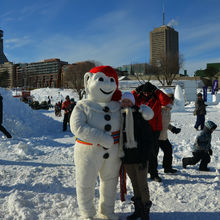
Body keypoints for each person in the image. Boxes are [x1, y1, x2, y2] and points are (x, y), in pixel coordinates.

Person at [70, 66, 122, 220]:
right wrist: (101, 137)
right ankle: (88, 213)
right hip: (88, 152)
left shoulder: (118, 107)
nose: (107, 84)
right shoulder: (83, 106)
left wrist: (143, 111)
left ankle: (107, 211)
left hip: (113, 153)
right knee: (85, 183)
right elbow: (77, 127)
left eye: (111, 80)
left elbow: (133, 115)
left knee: (110, 183)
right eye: (101, 79)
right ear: (88, 80)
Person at [120, 92, 154, 220]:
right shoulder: (119, 117)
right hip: (128, 158)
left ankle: (145, 213)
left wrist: (145, 157)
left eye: (128, 101)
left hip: (140, 158)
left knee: (142, 185)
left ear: (133, 102)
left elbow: (148, 139)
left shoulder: (140, 116)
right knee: (134, 184)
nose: (126, 103)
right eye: (124, 101)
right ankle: (138, 210)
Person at [132, 82, 171, 182]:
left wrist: (157, 91)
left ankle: (154, 173)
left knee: (153, 152)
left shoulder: (157, 98)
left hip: (154, 130)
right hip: (141, 129)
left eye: (148, 92)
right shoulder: (138, 98)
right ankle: (142, 172)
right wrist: (136, 91)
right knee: (140, 152)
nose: (146, 94)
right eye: (144, 92)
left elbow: (167, 101)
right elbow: (127, 99)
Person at [158, 93, 181, 174]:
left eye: (172, 100)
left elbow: (165, 123)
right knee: (153, 155)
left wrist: (173, 129)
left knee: (168, 150)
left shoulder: (168, 111)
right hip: (156, 136)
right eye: (169, 99)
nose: (171, 101)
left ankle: (167, 168)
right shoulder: (160, 110)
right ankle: (151, 171)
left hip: (163, 136)